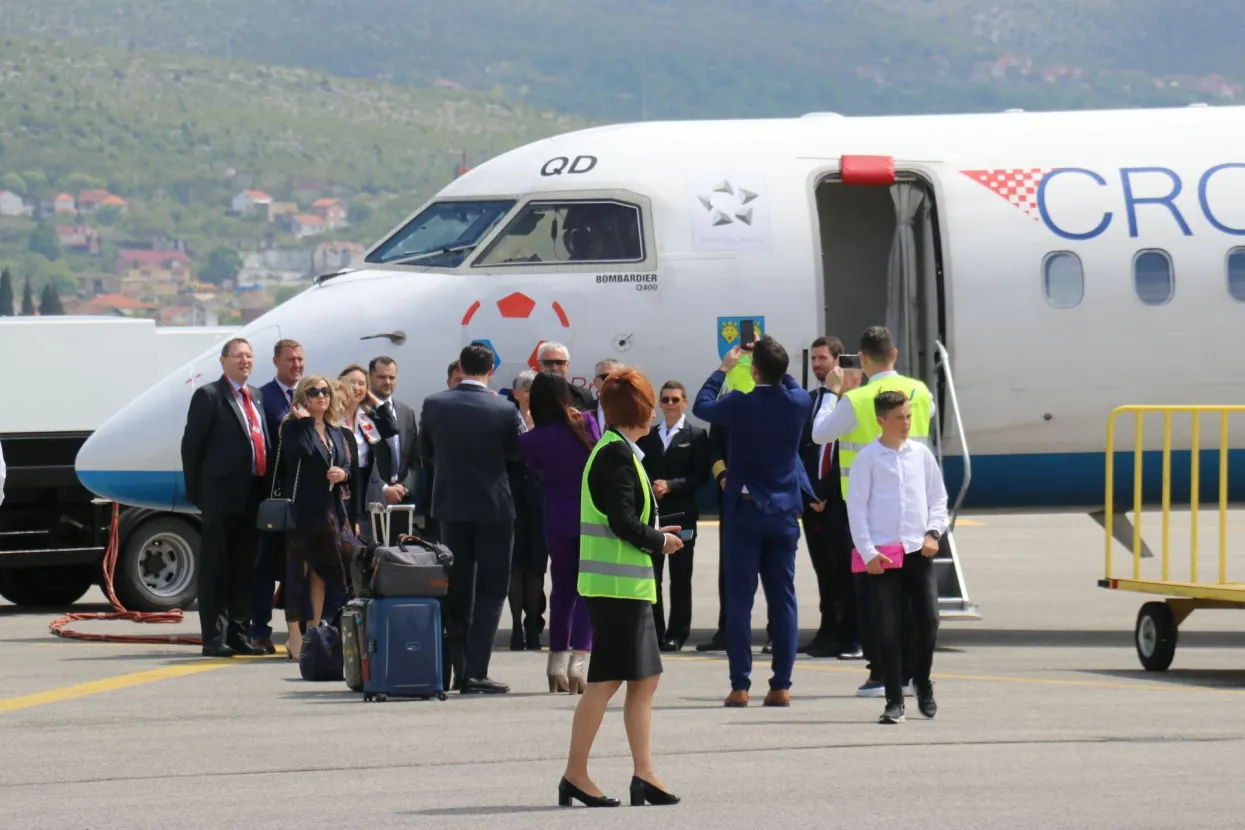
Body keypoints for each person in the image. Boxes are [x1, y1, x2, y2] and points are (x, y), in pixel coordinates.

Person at [559, 367, 681, 809]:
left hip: (624, 588)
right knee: (607, 682)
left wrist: (652, 530)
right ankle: (576, 774)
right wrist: (660, 540)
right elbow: (622, 521)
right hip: (616, 589)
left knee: (643, 680)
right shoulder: (614, 455)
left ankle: (643, 772)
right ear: (642, 410)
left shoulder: (617, 451)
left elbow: (625, 517)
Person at [812, 325, 935, 697]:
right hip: (914, 506)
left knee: (875, 595)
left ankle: (881, 672)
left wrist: (833, 394)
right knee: (913, 597)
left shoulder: (858, 398)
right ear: (894, 354)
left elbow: (820, 434)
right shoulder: (921, 392)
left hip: (869, 510)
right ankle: (912, 671)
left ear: (862, 359)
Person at [692, 336, 813, 707]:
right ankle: (781, 685)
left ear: (754, 370)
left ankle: (740, 684)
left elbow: (701, 405)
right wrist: (775, 358)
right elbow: (791, 385)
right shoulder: (798, 403)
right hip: (783, 514)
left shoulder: (740, 404)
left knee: (740, 601)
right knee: (783, 600)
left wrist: (724, 368)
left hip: (745, 512)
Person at [419, 342, 523, 695]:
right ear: (491, 369)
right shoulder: (504, 408)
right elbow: (515, 454)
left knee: (456, 589)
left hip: (451, 506)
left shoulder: (435, 404)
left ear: (460, 368)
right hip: (494, 508)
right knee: (492, 591)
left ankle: (454, 668)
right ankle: (477, 672)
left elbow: (426, 455)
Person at [847, 390, 947, 724]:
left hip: (918, 551)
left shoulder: (920, 454)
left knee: (928, 620)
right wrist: (868, 553)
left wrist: (933, 533)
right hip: (883, 557)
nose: (905, 424)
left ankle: (923, 680)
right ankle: (893, 700)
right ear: (881, 421)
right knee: (888, 628)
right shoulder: (868, 459)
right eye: (899, 418)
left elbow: (937, 498)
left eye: (908, 416)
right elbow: (856, 509)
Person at [179, 337, 269, 658]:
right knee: (217, 567)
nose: (245, 361)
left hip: (252, 495)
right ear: (223, 361)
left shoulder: (255, 397)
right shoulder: (210, 396)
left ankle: (238, 632)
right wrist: (198, 493)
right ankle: (213, 637)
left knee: (245, 566)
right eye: (238, 356)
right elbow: (191, 447)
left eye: (249, 356)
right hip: (220, 497)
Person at [521, 371, 602, 692]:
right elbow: (598, 458)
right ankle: (579, 664)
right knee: (587, 589)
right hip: (589, 515)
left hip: (555, 516)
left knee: (562, 588)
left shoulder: (531, 438)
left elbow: (536, 468)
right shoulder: (586, 423)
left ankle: (555, 663)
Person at [277, 376, 359, 661]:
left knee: (323, 573)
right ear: (303, 397)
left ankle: (314, 631)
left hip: (332, 511)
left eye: (325, 391)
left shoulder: (336, 430)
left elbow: (349, 465)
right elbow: (298, 452)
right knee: (297, 572)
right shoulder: (292, 427)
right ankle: (295, 636)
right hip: (303, 512)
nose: (321, 396)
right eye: (314, 392)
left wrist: (343, 474)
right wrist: (304, 423)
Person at [799, 336, 860, 659]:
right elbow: (802, 448)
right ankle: (827, 631)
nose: (817, 365)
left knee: (844, 570)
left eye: (823, 359)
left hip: (839, 499)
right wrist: (809, 492)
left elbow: (845, 454)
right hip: (812, 501)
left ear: (837, 361)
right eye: (814, 360)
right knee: (823, 569)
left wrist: (824, 491)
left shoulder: (849, 401)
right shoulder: (810, 401)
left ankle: (850, 633)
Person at [638, 380, 710, 652]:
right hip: (654, 515)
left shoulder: (696, 435)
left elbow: (701, 475)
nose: (669, 404)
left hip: (682, 514)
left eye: (675, 400)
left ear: (685, 403)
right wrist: (653, 485)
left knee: (680, 577)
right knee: (652, 576)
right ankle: (654, 632)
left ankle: (677, 633)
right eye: (665, 399)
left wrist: (671, 485)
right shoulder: (649, 435)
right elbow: (641, 468)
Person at [251, 338, 305, 654]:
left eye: (299, 359)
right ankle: (259, 629)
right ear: (276, 362)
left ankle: (299, 632)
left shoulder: (314, 394)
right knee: (265, 566)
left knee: (298, 569)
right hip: (273, 496)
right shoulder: (263, 397)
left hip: (306, 497)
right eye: (290, 360)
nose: (296, 365)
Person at [505, 370, 548, 652]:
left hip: (542, 501)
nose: (531, 395)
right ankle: (516, 627)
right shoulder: (507, 419)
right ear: (517, 393)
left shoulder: (549, 420)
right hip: (513, 499)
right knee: (515, 567)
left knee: (536, 568)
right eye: (527, 389)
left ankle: (534, 624)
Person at [338, 364, 398, 534]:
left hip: (365, 486)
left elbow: (391, 428)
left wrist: (372, 399)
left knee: (367, 540)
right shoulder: (333, 416)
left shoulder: (366, 416)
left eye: (361, 383)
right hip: (343, 483)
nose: (356, 388)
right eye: (352, 383)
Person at [369, 356, 420, 535]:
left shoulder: (407, 413)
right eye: (382, 377)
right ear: (370, 378)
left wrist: (404, 486)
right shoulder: (362, 412)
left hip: (402, 501)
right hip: (373, 501)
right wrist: (384, 488)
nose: (387, 382)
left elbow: (414, 460)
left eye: (391, 377)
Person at [537, 341, 594, 410]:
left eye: (560, 362)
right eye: (548, 363)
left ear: (567, 365)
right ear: (539, 365)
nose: (554, 368)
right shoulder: (527, 397)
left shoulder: (584, 396)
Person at [588, 359, 622, 433]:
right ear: (595, 382)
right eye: (605, 376)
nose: (611, 381)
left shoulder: (635, 411)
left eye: (617, 377)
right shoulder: (584, 411)